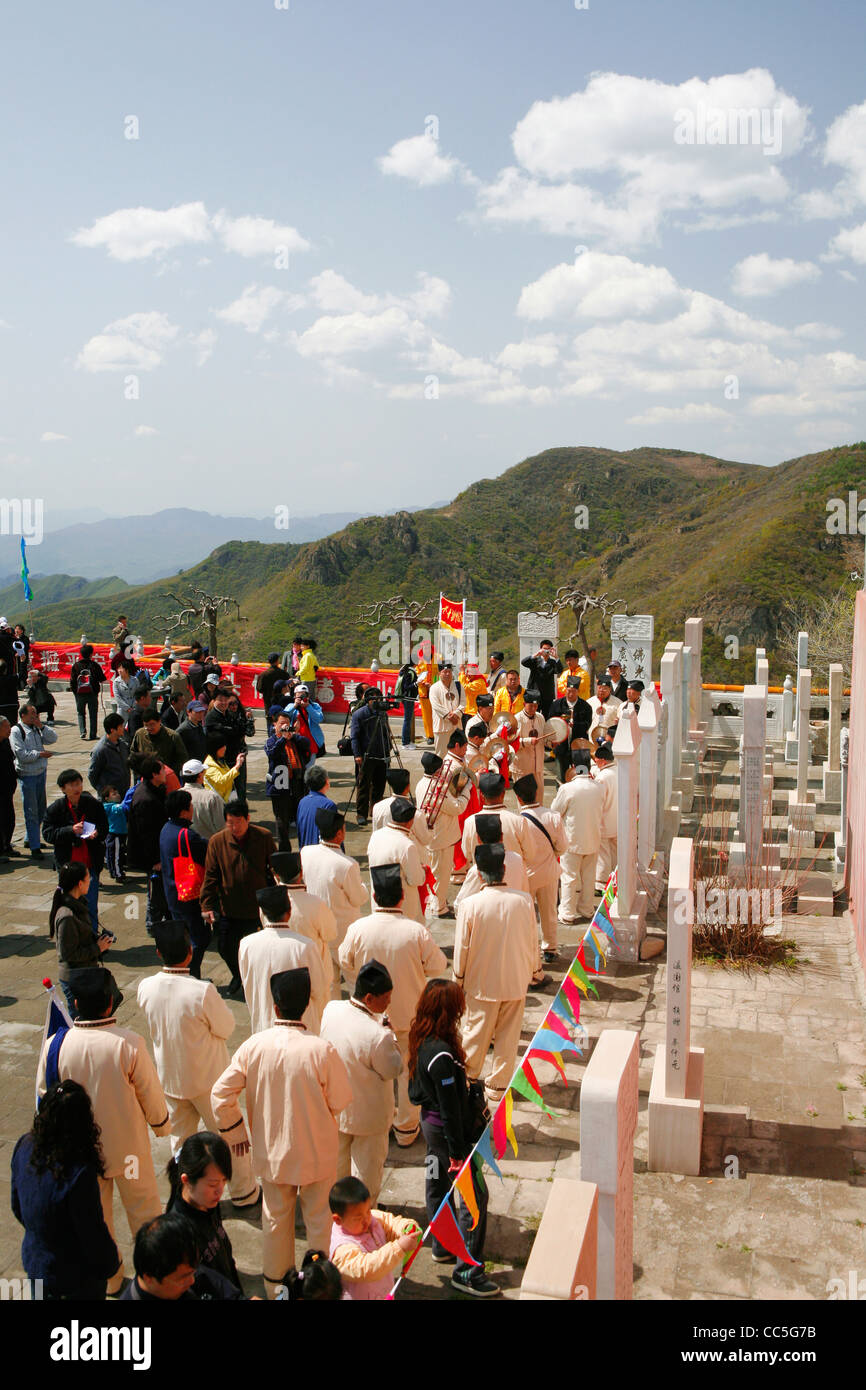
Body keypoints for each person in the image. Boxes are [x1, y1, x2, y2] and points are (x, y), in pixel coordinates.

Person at [211, 967, 352, 1299]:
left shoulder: (254, 1046)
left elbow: (220, 1093)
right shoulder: (321, 1050)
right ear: (305, 1006)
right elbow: (341, 1101)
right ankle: (319, 1286)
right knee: (319, 1218)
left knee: (275, 1218)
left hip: (273, 1153)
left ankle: (276, 1286)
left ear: (275, 1007)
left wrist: (236, 1131)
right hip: (317, 1151)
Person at [36, 966, 170, 1294]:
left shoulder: (56, 1045)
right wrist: (161, 1124)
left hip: (83, 1154)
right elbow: (150, 1094)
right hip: (129, 1151)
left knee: (97, 1219)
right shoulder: (129, 1044)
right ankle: (152, 1275)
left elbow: (43, 1097)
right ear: (111, 1003)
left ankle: (111, 1280)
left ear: (76, 1002)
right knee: (145, 1213)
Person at [138, 923, 257, 1207]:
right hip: (208, 1080)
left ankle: (187, 1197)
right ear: (190, 953)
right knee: (229, 1137)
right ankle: (243, 1193)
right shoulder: (201, 992)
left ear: (158, 953)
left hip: (171, 1078)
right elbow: (227, 1027)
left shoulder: (146, 988)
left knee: (180, 1143)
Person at [340, 863, 447, 1148]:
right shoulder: (415, 932)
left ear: (375, 897)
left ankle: (380, 1123)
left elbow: (344, 961)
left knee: (372, 1074)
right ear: (402, 897)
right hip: (409, 1014)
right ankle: (406, 1128)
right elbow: (438, 965)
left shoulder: (358, 929)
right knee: (409, 1073)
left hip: (369, 1016)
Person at [407, 979, 497, 1296]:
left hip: (431, 1133)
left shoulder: (420, 1039)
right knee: (474, 1199)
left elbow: (415, 1091)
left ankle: (443, 1244)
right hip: (448, 1134)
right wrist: (459, 1155)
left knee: (436, 1182)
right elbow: (450, 1111)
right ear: (449, 1011)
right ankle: (467, 1270)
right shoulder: (441, 1056)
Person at [11, 1080, 120, 1300]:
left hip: (37, 1264)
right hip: (73, 1280)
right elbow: (92, 1233)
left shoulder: (24, 1145)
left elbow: (18, 1206)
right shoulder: (78, 1173)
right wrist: (110, 1265)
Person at [453, 844, 536, 1105]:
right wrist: (533, 970)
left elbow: (461, 950)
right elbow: (532, 940)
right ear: (503, 870)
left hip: (481, 983)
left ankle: (468, 1078)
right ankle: (498, 1087)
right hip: (515, 979)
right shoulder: (523, 900)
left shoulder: (470, 905)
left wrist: (458, 979)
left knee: (474, 1035)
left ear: (479, 874)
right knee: (508, 1038)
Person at [320, 963, 403, 1200]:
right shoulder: (377, 1036)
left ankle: (339, 1212)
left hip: (337, 1108)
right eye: (386, 998)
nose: (389, 1003)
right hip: (368, 1116)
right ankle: (364, 1217)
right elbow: (392, 1069)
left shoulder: (331, 1009)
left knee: (337, 1169)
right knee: (367, 1174)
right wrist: (391, 1035)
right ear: (369, 998)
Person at [200, 800, 277, 999]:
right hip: (229, 908)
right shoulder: (217, 842)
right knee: (225, 947)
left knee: (259, 950)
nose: (234, 827)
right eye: (229, 823)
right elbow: (210, 875)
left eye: (238, 822)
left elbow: (274, 868)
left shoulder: (263, 837)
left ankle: (256, 979)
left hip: (256, 908)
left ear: (248, 819)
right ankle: (238, 974)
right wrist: (206, 904)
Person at [239, 885, 328, 1033]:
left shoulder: (246, 944)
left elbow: (248, 985)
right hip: (301, 1025)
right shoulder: (305, 946)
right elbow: (319, 990)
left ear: (262, 913)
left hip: (264, 1023)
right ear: (289, 912)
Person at [300, 807, 368, 983]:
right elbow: (359, 898)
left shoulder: (306, 853)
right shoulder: (346, 865)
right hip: (343, 934)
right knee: (355, 982)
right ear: (339, 834)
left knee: (329, 986)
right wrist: (364, 887)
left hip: (319, 931)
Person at [328, 1175, 420, 1300]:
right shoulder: (342, 1250)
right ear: (338, 1219)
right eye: (358, 1218)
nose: (366, 1219)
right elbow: (367, 1268)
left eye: (368, 1211)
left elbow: (390, 1222)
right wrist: (398, 1248)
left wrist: (406, 1228)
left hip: (383, 1293)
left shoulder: (372, 1220)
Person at [43, 769, 109, 935]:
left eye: (78, 783)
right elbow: (48, 834)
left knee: (91, 904)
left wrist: (97, 833)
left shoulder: (93, 804)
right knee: (69, 905)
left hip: (89, 863)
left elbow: (104, 827)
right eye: (72, 785)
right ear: (63, 788)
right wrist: (70, 830)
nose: (76, 787)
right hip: (68, 866)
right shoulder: (56, 809)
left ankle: (92, 937)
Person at [120, 1212, 243, 1301]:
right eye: (182, 1278)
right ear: (149, 1278)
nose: (192, 1280)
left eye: (192, 1272)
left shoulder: (185, 1268)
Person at [514, 772, 568, 967]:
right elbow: (562, 846)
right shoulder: (553, 816)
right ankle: (550, 948)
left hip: (526, 875)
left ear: (518, 798)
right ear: (537, 794)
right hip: (548, 872)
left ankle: (529, 949)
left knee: (527, 916)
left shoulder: (517, 821)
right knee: (549, 913)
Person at [269, 850, 338, 993]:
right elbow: (331, 934)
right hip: (314, 972)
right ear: (301, 874)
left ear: (275, 874)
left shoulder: (268, 903)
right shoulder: (316, 904)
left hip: (283, 971)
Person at [414, 749, 471, 918]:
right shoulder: (437, 789)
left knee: (434, 871)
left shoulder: (420, 783)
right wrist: (466, 790)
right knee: (441, 874)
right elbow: (458, 808)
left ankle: (436, 900)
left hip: (429, 836)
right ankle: (438, 907)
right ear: (437, 770)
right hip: (441, 838)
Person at [159, 789, 211, 976]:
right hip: (188, 895)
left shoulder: (166, 829)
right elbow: (207, 851)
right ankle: (191, 973)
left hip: (173, 892)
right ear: (183, 811)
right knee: (200, 939)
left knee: (187, 937)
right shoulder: (186, 836)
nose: (192, 809)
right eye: (190, 807)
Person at [49, 863, 110, 1014]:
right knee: (80, 1020)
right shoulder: (67, 916)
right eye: (88, 878)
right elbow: (68, 954)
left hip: (84, 973)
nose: (91, 881)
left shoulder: (78, 904)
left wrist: (99, 940)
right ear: (79, 883)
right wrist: (97, 948)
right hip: (75, 978)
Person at [550, 764, 604, 924]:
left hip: (573, 840)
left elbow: (555, 810)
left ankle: (567, 913)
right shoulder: (599, 787)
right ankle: (587, 909)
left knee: (569, 878)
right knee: (589, 877)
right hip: (593, 838)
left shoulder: (568, 789)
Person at [126, 757, 170, 934]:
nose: (165, 773)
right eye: (162, 770)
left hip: (155, 851)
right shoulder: (146, 799)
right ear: (154, 774)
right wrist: (155, 859)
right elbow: (147, 834)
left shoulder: (152, 791)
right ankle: (152, 924)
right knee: (155, 891)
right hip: (151, 856)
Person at [367, 797, 426, 924]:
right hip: (401, 908)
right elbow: (416, 879)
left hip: (378, 902)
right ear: (410, 822)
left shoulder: (376, 836)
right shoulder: (407, 845)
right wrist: (422, 871)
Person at [10, 703, 57, 856]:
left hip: (40, 772)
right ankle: (35, 846)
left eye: (35, 713)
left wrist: (41, 726)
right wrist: (39, 754)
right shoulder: (16, 731)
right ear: (22, 715)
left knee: (41, 808)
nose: (34, 716)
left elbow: (53, 738)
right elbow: (21, 755)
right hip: (27, 775)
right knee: (31, 810)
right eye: (32, 713)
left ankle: (30, 837)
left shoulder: (37, 728)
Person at [460, 771, 530, 865]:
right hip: (514, 876)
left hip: (482, 877)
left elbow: (467, 854)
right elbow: (530, 854)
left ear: (482, 796)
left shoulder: (470, 822)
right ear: (503, 794)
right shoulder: (519, 821)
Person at [265, 710, 310, 850]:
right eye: (281, 723)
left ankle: (305, 849)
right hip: (280, 786)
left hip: (297, 784)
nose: (285, 726)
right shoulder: (272, 740)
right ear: (275, 725)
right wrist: (283, 738)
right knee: (282, 822)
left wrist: (293, 735)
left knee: (301, 819)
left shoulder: (295, 739)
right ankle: (284, 852)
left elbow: (306, 744)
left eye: (287, 723)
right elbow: (272, 753)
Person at [350, 687, 390, 826]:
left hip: (381, 753)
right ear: (367, 700)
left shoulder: (382, 713)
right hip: (366, 754)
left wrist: (388, 749)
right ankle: (361, 813)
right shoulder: (359, 714)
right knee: (363, 785)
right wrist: (357, 754)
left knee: (379, 785)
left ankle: (375, 810)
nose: (376, 700)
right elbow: (354, 736)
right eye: (373, 698)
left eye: (378, 697)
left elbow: (386, 732)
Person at [549, 676, 594, 783]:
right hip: (561, 745)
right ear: (565, 690)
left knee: (581, 774)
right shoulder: (557, 704)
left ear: (578, 691)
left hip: (580, 747)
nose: (570, 694)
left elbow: (587, 724)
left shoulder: (585, 706)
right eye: (568, 691)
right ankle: (561, 794)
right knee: (561, 775)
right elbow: (551, 722)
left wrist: (576, 724)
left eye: (573, 691)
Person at [129, 707, 187, 778]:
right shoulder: (140, 734)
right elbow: (133, 753)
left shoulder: (172, 736)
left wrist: (169, 772)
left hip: (167, 777)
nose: (149, 728)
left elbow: (182, 757)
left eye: (152, 724)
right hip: (145, 777)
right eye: (146, 725)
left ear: (159, 721)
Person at [592, 744, 619, 888]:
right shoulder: (620, 771)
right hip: (618, 818)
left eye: (596, 759)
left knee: (603, 854)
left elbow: (598, 800)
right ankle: (615, 879)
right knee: (615, 852)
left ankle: (601, 883)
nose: (595, 761)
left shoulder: (602, 777)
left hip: (604, 819)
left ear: (602, 760)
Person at [181, 759, 226, 841]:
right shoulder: (212, 797)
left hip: (184, 844)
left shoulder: (176, 795)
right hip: (209, 845)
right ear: (199, 775)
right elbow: (221, 827)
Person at [69, 644, 107, 740]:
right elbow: (102, 678)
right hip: (92, 693)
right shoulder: (94, 665)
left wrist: (75, 693)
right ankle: (92, 734)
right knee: (93, 714)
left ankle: (82, 731)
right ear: (91, 654)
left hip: (79, 694)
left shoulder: (76, 666)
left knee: (81, 713)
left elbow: (72, 681)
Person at [88, 712, 131, 796]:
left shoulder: (122, 745)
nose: (123, 728)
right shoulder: (100, 750)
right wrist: (104, 791)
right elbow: (92, 775)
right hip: (110, 797)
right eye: (121, 726)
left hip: (124, 792)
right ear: (112, 730)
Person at [429, 663, 464, 760]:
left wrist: (456, 714)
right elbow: (436, 706)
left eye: (449, 671)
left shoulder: (458, 686)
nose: (447, 674)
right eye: (444, 672)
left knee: (458, 755)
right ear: (439, 673)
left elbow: (463, 703)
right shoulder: (434, 688)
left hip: (456, 725)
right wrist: (450, 716)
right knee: (441, 756)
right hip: (441, 728)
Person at [296, 764, 337, 847]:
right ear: (326, 781)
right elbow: (332, 839)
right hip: (320, 854)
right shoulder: (329, 805)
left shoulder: (302, 802)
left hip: (305, 853)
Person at [514, 689, 546, 792]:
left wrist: (551, 743)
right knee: (524, 800)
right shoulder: (517, 719)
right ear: (524, 704)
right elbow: (511, 743)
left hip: (538, 767)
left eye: (536, 706)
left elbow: (544, 737)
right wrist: (528, 741)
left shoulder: (540, 717)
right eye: (531, 705)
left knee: (539, 798)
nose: (533, 708)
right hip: (522, 767)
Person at [286, 684, 324, 767]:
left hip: (311, 742)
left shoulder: (314, 706)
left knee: (309, 767)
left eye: (304, 695)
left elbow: (319, 719)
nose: (302, 697)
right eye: (299, 695)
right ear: (294, 696)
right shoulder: (290, 706)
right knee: (296, 766)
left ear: (308, 695)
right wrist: (295, 706)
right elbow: (283, 718)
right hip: (295, 740)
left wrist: (308, 707)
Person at [203, 734, 245, 804]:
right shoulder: (209, 765)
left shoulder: (219, 760)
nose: (225, 748)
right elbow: (221, 780)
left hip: (226, 798)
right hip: (217, 802)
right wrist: (237, 766)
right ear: (215, 748)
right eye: (222, 746)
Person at [101, 785, 128, 883]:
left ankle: (115, 871)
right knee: (116, 855)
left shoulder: (111, 806)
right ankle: (118, 874)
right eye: (114, 794)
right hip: (115, 834)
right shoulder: (112, 807)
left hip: (118, 834)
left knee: (116, 854)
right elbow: (121, 807)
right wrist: (129, 796)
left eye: (117, 793)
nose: (118, 795)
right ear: (107, 798)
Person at [587, 673, 622, 745]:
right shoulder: (589, 702)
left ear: (610, 689)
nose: (602, 690)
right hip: (591, 740)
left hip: (609, 740)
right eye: (600, 688)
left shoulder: (618, 703)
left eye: (605, 688)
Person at [0, 715, 17, 860]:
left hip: (7, 789)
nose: (9, 729)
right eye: (6, 727)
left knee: (9, 819)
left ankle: (6, 845)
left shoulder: (5, 742)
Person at [256, 652, 291, 721]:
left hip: (268, 702)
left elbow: (259, 689)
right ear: (277, 661)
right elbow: (289, 685)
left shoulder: (263, 675)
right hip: (281, 702)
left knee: (270, 721)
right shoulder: (283, 674)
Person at [394, 661, 419, 747]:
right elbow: (406, 687)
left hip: (408, 698)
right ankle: (405, 743)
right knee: (407, 720)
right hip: (408, 698)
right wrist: (416, 683)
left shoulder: (407, 671)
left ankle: (407, 741)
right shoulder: (410, 672)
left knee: (408, 720)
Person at [177, 698, 208, 764]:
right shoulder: (183, 729)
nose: (200, 714)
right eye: (197, 712)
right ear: (188, 712)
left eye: (202, 711)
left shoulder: (199, 726)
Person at [415, 649, 436, 745]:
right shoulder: (420, 663)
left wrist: (433, 683)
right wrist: (424, 683)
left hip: (435, 690)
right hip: (424, 692)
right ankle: (430, 736)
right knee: (426, 716)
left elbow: (439, 674)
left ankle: (437, 733)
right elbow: (418, 676)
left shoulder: (437, 660)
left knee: (437, 714)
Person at [0, 656, 19, 727]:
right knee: (12, 728)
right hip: (12, 706)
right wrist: (21, 662)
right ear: (5, 670)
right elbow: (21, 674)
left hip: (1, 706)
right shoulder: (13, 679)